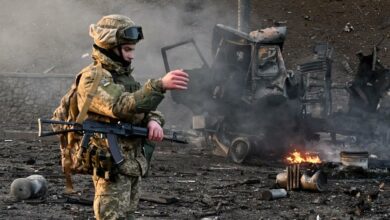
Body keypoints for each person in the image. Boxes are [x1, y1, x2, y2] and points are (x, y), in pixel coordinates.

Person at [78, 14, 189, 219]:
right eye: (127, 49)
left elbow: (143, 107)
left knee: (128, 214)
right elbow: (120, 106)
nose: (132, 56)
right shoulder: (93, 77)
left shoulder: (124, 77)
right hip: (111, 162)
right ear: (110, 46)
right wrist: (159, 85)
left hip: (131, 162)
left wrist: (153, 121)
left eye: (133, 49)